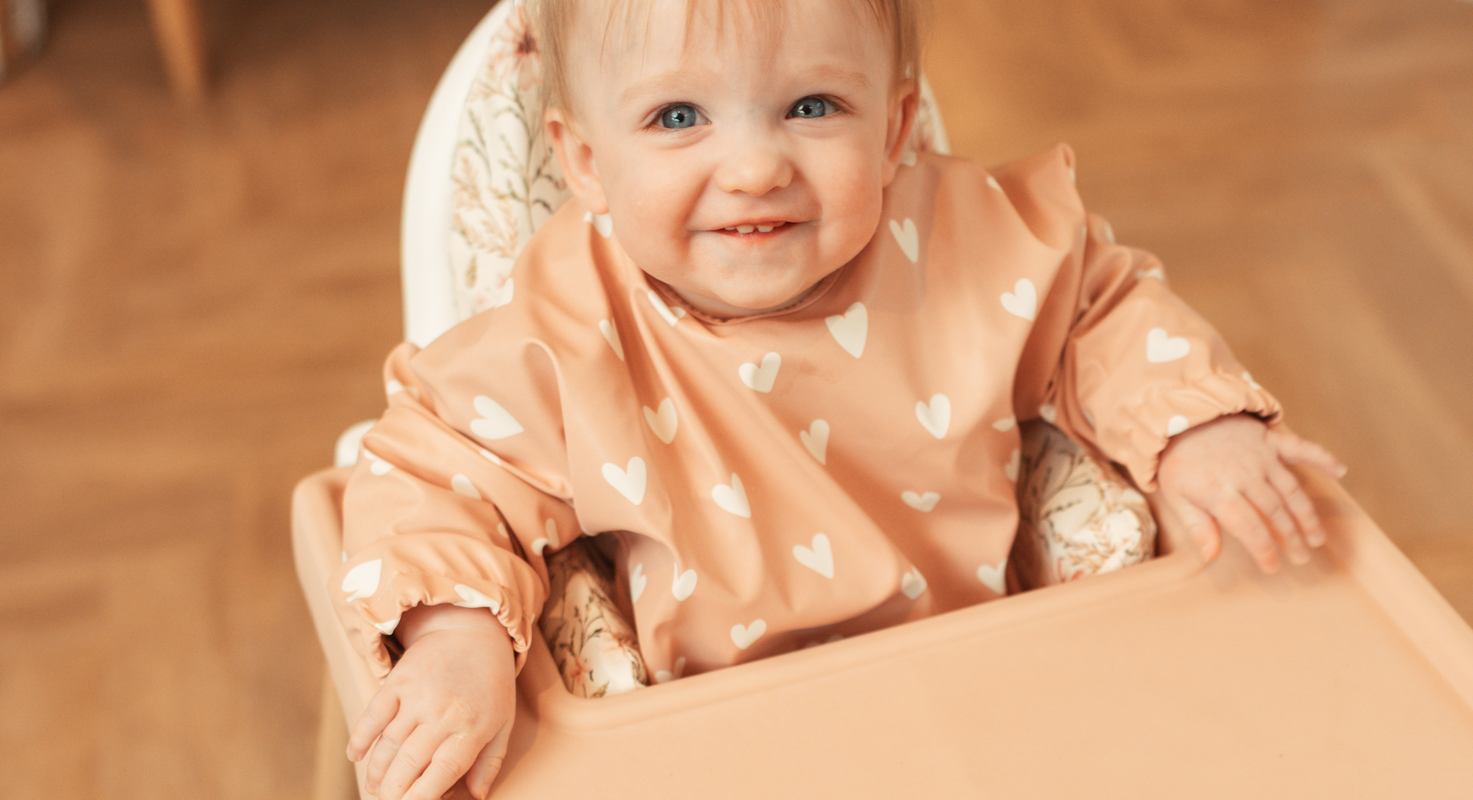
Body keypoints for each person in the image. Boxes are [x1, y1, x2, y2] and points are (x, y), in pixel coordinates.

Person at [335, 0, 1347, 797]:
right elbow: (436, 468)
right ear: (587, 163)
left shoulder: (967, 246)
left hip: (995, 701)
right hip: (715, 745)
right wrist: (456, 639)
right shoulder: (565, 333)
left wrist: (1193, 425)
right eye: (678, 117)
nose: (754, 166)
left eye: (813, 106)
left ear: (895, 126)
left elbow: (1097, 309)